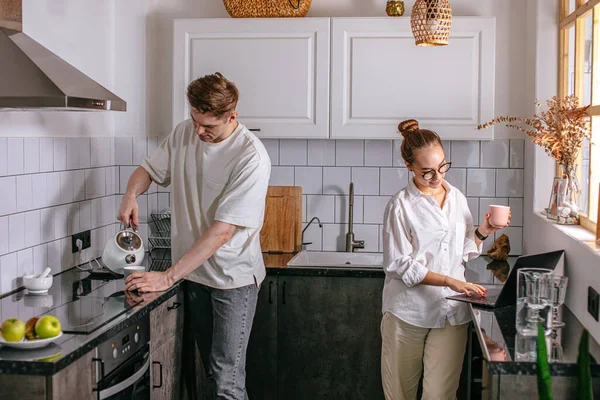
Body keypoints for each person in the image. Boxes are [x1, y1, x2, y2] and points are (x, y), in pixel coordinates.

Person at [118, 72, 271, 399]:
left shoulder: (251, 157)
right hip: (194, 275)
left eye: (209, 126)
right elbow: (148, 169)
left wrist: (167, 277)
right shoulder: (185, 133)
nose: (199, 131)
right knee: (210, 370)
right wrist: (131, 195)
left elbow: (222, 231)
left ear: (233, 116)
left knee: (226, 377)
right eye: (195, 120)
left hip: (233, 280)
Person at [380, 119, 510, 400]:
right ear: (408, 166)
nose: (437, 176)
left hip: (451, 312)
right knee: (400, 395)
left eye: (441, 167)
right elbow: (399, 264)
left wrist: (483, 231)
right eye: (426, 172)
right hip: (408, 313)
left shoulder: (457, 199)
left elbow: (462, 251)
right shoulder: (400, 206)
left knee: (441, 395)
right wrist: (450, 281)